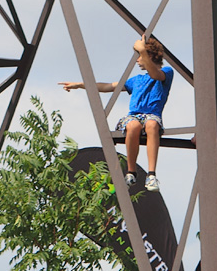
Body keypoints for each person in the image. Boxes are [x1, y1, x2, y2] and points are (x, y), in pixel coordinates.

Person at [60, 35, 173, 192]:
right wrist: (80, 85)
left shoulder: (166, 72)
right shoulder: (136, 80)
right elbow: (109, 86)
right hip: (135, 115)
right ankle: (131, 172)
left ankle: (151, 174)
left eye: (140, 56)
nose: (137, 60)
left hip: (151, 115)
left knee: (152, 125)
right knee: (132, 126)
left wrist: (142, 49)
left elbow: (155, 74)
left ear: (150, 55)